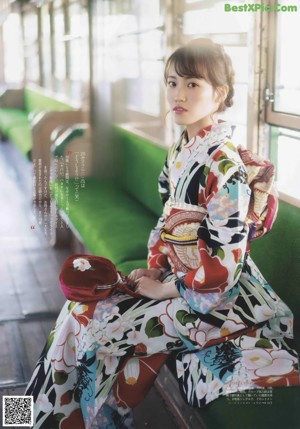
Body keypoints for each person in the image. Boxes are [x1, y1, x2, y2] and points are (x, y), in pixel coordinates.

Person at [25, 38, 300, 429]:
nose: (178, 94)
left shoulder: (225, 167)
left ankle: (67, 421)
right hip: (180, 282)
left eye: (192, 84)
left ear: (219, 94)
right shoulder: (182, 149)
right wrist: (155, 270)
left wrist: (166, 289)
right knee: (76, 309)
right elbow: (166, 222)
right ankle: (24, 417)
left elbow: (225, 265)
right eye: (172, 82)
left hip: (218, 304)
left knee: (93, 324)